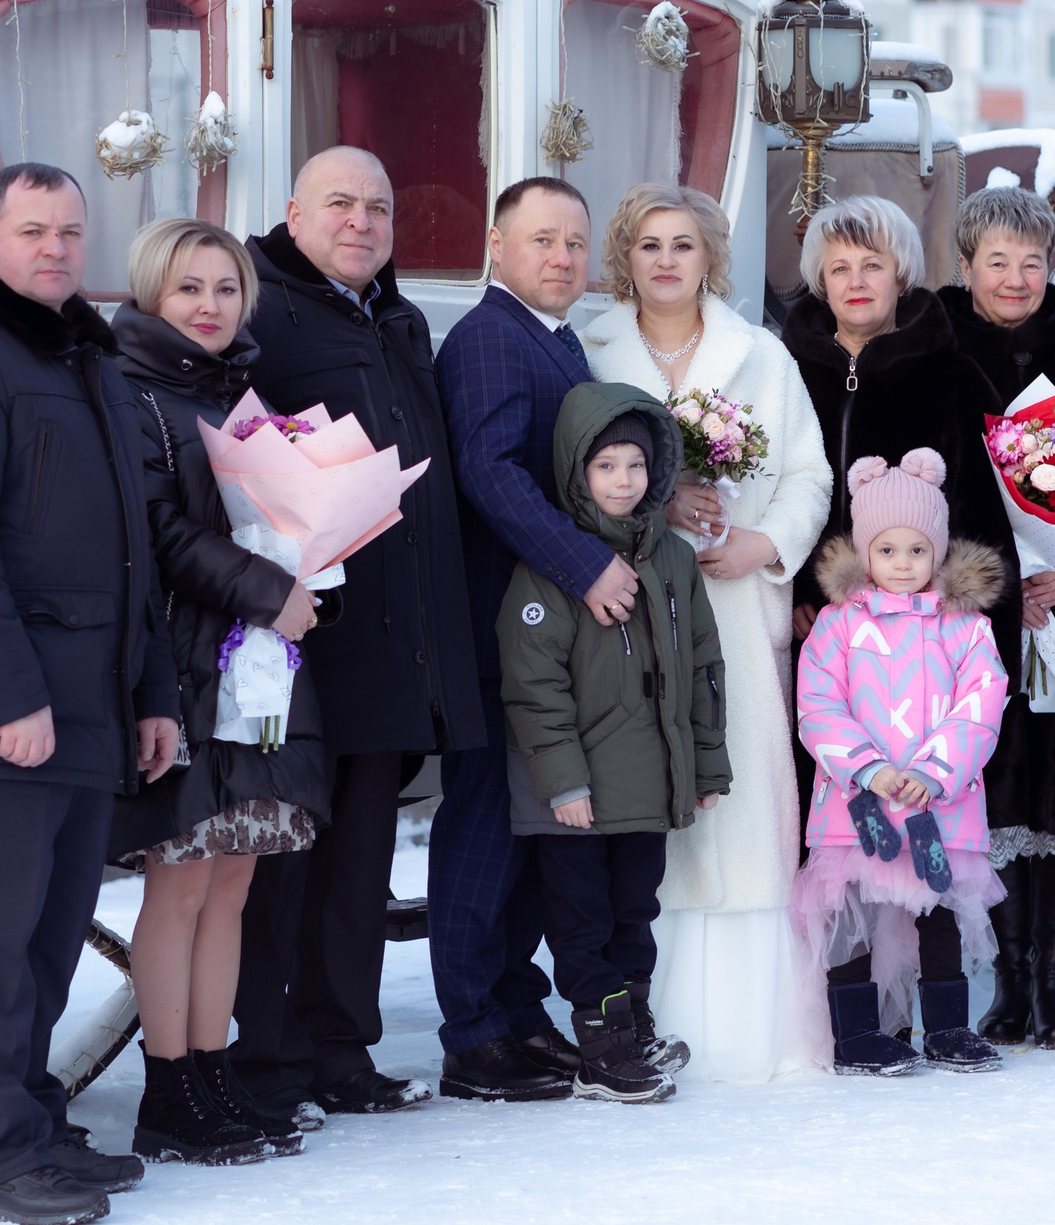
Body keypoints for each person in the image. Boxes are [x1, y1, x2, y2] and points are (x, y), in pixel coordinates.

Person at [0, 161, 181, 1225]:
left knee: (55, 931)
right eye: (32, 230)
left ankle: (32, 1118)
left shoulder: (88, 354)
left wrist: (152, 691)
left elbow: (129, 548)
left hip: (94, 694)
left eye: (69, 229)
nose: (55, 247)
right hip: (4, 706)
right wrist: (10, 696)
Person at [235, 147, 482, 1122]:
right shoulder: (261, 307)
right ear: (293, 210)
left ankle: (341, 1049)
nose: (361, 222)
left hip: (393, 640)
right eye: (339, 204)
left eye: (378, 208)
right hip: (299, 641)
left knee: (358, 868)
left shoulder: (399, 317)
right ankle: (269, 1059)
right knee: (284, 862)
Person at [579, 184, 831, 1080]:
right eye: (648, 244)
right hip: (629, 611)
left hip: (732, 599)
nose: (666, 260)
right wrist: (658, 499)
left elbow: (808, 471)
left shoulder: (760, 354)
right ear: (625, 256)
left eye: (684, 244)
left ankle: (758, 1030)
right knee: (651, 808)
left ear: (710, 257)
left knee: (749, 805)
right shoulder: (591, 348)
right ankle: (644, 1014)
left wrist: (766, 543)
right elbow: (568, 471)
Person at [779, 195, 1017, 1051]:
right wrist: (799, 587)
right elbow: (784, 491)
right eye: (838, 266)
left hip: (936, 628)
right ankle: (848, 1026)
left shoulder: (946, 368)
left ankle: (941, 1017)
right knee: (835, 849)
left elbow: (988, 508)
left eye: (871, 263)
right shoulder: (786, 363)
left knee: (933, 880)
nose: (855, 280)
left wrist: (970, 600)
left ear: (902, 272)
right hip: (823, 622)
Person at [112, 217, 326, 1161]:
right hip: (185, 658)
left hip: (253, 665)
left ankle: (211, 1069)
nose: (211, 305)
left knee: (232, 880)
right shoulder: (133, 393)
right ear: (155, 291)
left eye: (227, 288)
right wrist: (271, 588)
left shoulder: (243, 389)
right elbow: (158, 530)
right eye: (191, 287)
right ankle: (167, 1089)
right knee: (182, 879)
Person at [430, 177, 617, 1102]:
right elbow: (490, 474)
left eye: (575, 242)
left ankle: (512, 1008)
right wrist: (586, 566)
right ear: (497, 246)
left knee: (526, 833)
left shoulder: (554, 338)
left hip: (543, 637)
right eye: (542, 239)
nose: (562, 257)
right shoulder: (489, 339)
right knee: (483, 832)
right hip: (502, 629)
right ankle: (471, 1036)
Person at [936, 184, 1055, 1050]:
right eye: (997, 261)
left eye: (1032, 262)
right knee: (995, 789)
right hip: (968, 609)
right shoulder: (935, 346)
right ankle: (1008, 982)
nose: (1015, 278)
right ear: (966, 264)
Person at [498, 383, 732, 1102]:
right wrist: (564, 783)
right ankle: (601, 1045)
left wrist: (705, 761)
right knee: (583, 921)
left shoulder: (673, 560)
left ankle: (633, 1026)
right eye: (606, 467)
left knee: (635, 910)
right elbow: (533, 688)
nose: (624, 480)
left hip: (647, 787)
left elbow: (701, 664)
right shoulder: (553, 569)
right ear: (576, 473)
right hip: (577, 799)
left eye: (636, 464)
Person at [793, 450, 1008, 1075]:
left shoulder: (966, 626)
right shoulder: (837, 626)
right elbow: (819, 706)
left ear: (938, 552)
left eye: (917, 550)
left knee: (938, 910)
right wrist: (868, 767)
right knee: (853, 916)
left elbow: (981, 704)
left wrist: (934, 772)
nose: (903, 564)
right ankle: (856, 1035)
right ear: (865, 554)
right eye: (887, 550)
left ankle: (947, 1029)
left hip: (939, 799)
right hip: (857, 802)